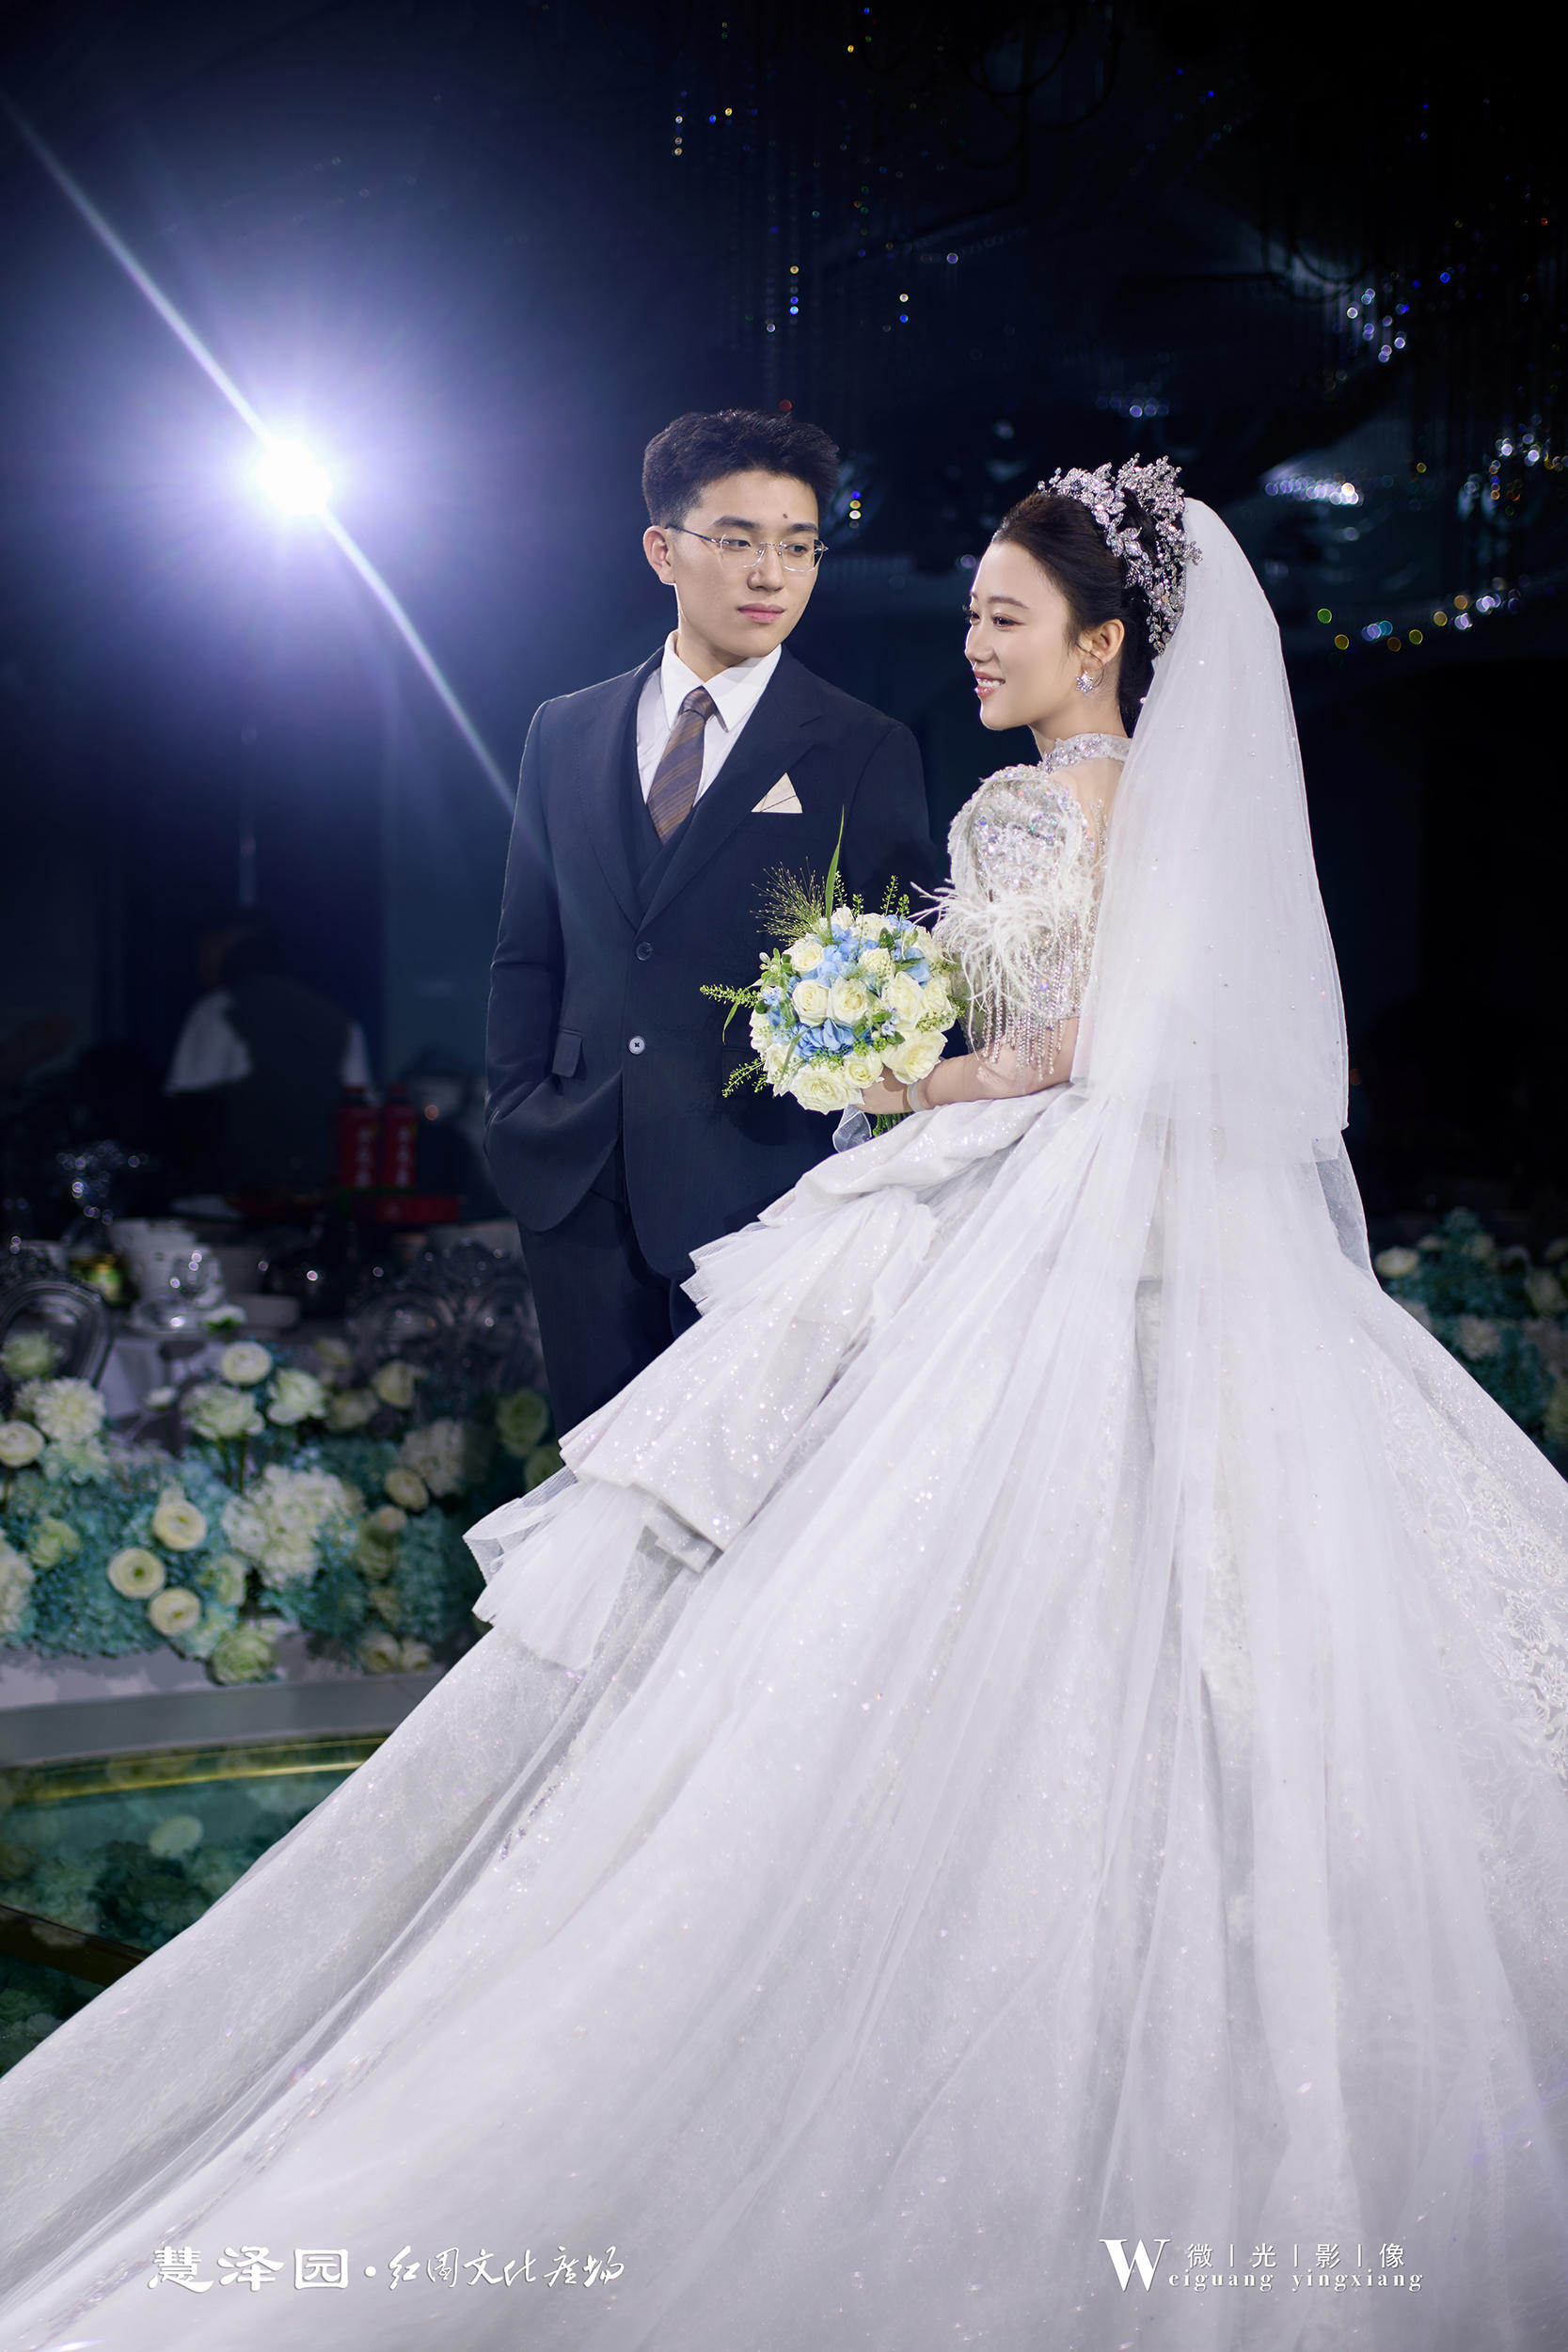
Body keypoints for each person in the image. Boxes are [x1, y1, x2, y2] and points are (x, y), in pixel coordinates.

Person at [4, 465, 1568, 2352]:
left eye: (1001, 617)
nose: (969, 643)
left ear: (1099, 641)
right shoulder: (1177, 813)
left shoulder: (1023, 807)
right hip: (1112, 1215)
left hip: (1016, 1197)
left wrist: (918, 1073)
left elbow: (1084, 1038)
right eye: (972, 612)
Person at [483, 406, 937, 1433]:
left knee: (739, 1506)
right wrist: (517, 1117)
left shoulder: (861, 746)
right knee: (587, 1490)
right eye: (737, 541)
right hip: (576, 1185)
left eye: (798, 546)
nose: (770, 574)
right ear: (663, 550)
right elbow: (526, 954)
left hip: (761, 1188)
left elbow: (906, 976)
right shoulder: (564, 730)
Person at [164, 914, 372, 1192]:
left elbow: (188, 1113)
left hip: (236, 1194)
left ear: (226, 949)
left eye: (206, 951)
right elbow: (361, 1109)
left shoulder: (218, 1010)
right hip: (321, 1190)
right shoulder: (338, 1017)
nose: (200, 964)